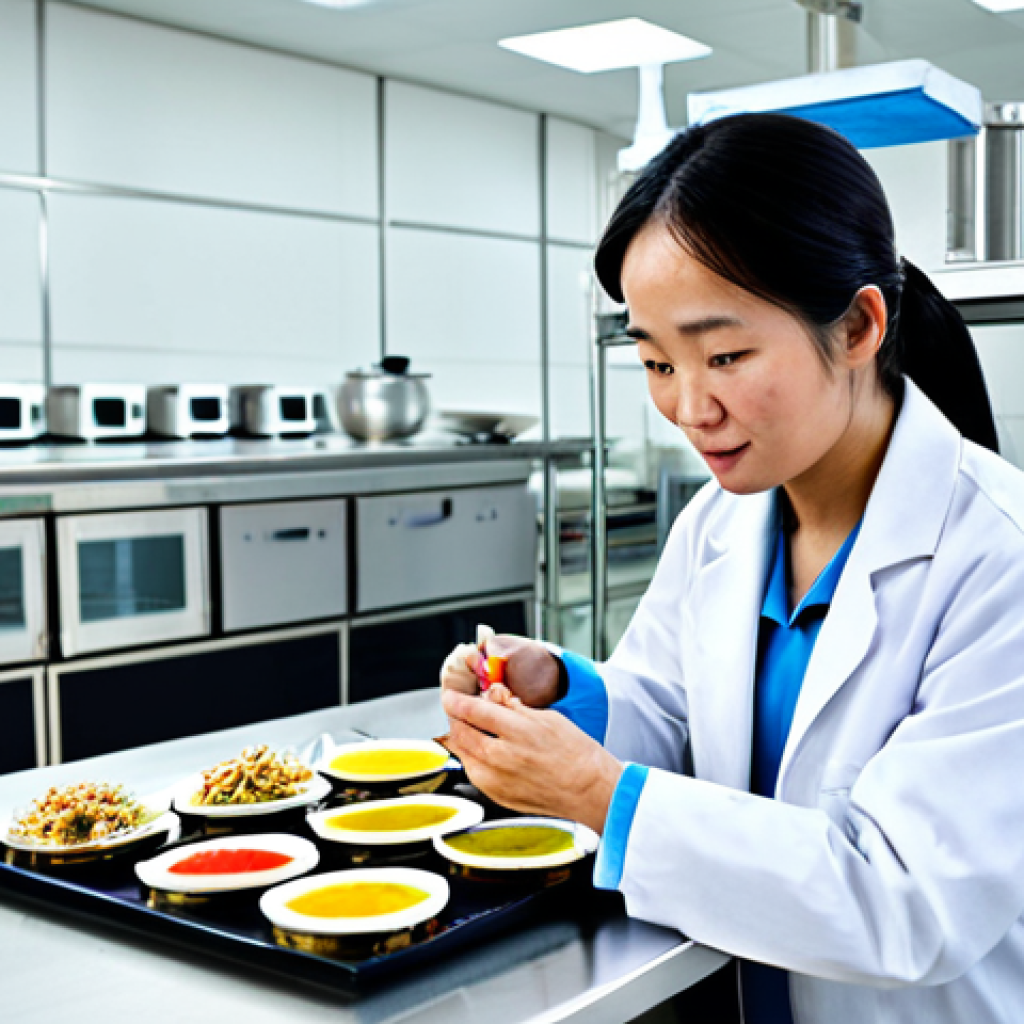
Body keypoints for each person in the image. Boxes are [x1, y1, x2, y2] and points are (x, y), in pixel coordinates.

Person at [439, 112, 1024, 1024]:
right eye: (655, 361)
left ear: (860, 325)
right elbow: (674, 717)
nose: (688, 406)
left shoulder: (999, 557)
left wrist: (598, 795)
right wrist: (559, 693)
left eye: (725, 355)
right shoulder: (721, 520)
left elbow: (907, 903)